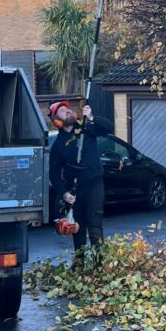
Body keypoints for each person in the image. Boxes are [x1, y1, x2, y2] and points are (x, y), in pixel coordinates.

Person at [48, 101, 113, 261]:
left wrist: (91, 117)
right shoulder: (57, 145)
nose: (68, 111)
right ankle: (79, 264)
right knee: (77, 229)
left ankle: (100, 264)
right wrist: (64, 193)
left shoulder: (85, 128)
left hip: (94, 184)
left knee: (95, 226)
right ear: (57, 120)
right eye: (63, 111)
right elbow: (54, 174)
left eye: (68, 109)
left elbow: (108, 127)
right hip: (74, 190)